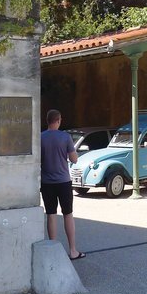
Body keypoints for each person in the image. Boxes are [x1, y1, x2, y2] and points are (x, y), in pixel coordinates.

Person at [41, 109, 85, 260]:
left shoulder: (40, 137)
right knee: (68, 214)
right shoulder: (65, 137)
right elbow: (74, 159)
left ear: (47, 121)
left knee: (51, 214)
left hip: (46, 182)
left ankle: (53, 252)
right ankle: (73, 251)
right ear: (59, 120)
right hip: (63, 182)